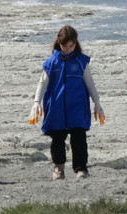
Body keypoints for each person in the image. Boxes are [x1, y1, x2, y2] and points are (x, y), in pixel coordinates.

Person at [28, 26, 105, 180]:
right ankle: (59, 168)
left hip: (77, 108)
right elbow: (41, 84)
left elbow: (90, 84)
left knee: (79, 138)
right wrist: (36, 102)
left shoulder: (81, 62)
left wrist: (97, 103)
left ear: (76, 43)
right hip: (56, 109)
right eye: (65, 46)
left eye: (71, 46)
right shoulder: (51, 63)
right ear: (59, 43)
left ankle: (81, 169)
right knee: (57, 139)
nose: (68, 49)